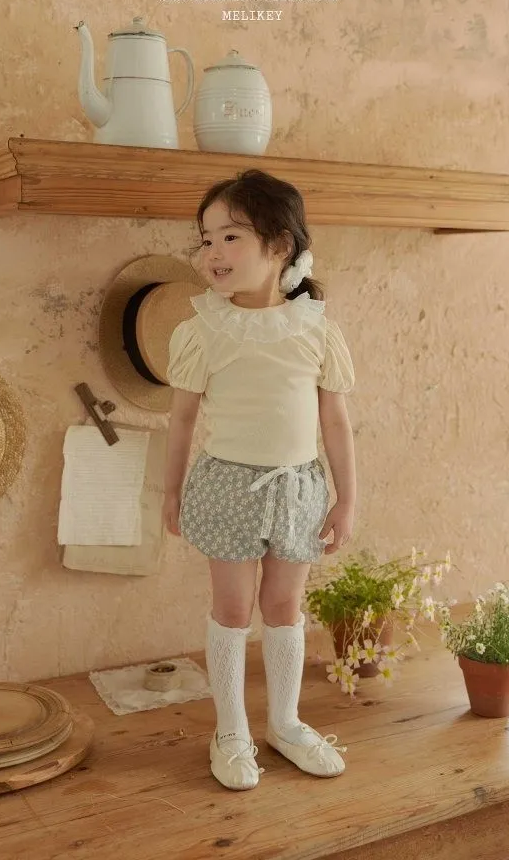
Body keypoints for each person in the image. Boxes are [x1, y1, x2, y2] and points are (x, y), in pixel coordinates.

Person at [162, 168, 356, 791]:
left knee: (283, 606)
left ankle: (286, 723)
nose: (213, 252)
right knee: (231, 608)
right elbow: (182, 420)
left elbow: (335, 422)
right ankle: (231, 731)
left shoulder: (316, 330)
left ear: (279, 245)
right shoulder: (202, 331)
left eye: (231, 236)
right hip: (226, 488)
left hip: (299, 489)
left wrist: (346, 500)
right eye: (206, 239)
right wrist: (170, 491)